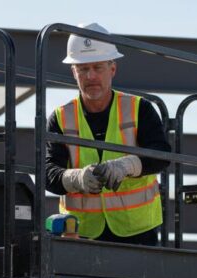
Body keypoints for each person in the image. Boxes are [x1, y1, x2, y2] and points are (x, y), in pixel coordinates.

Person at [45, 23, 171, 245]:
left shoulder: (139, 108)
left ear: (112, 69)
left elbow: (161, 154)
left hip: (137, 232)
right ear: (74, 72)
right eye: (83, 69)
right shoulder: (61, 118)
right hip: (80, 233)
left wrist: (126, 166)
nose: (91, 76)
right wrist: (77, 179)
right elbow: (47, 173)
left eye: (98, 67)